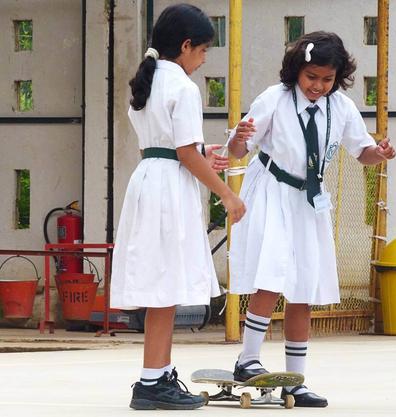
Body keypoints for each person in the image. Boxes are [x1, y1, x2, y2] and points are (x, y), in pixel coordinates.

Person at [227, 31, 396, 407]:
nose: (318, 86)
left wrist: (379, 153)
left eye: (327, 79)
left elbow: (361, 152)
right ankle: (247, 359)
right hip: (272, 191)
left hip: (310, 199)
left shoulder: (342, 108)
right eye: (311, 77)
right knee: (271, 274)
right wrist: (239, 136)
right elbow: (239, 149)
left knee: (305, 284)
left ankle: (295, 381)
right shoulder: (274, 99)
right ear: (296, 71)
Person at [110, 3, 245, 410]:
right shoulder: (184, 88)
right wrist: (227, 192)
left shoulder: (149, 84)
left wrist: (206, 155)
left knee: (160, 286)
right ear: (186, 46)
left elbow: (170, 148)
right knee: (166, 285)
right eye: (203, 50)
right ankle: (152, 382)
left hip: (150, 179)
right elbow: (185, 153)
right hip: (170, 189)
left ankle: (157, 374)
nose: (204, 60)